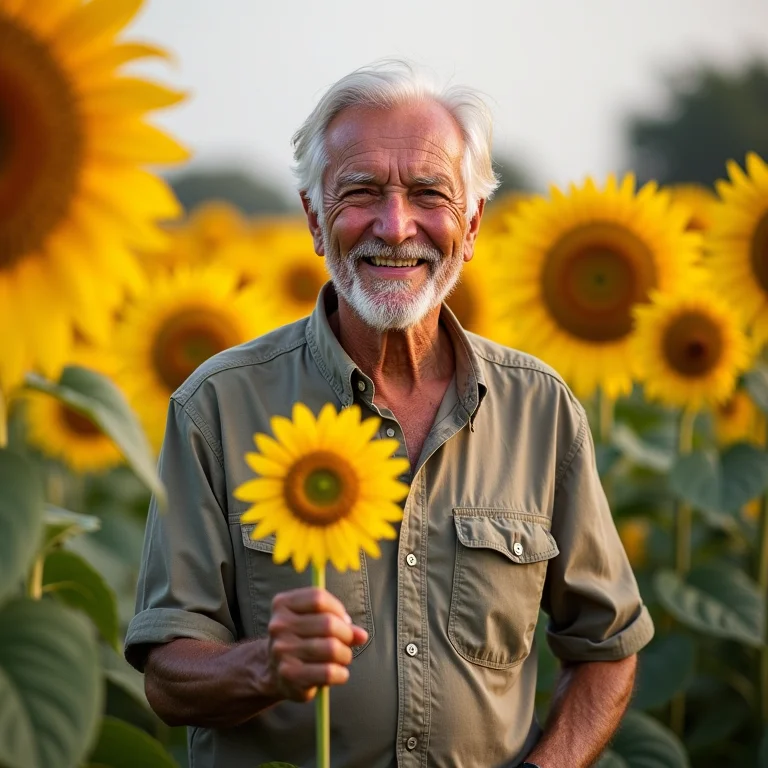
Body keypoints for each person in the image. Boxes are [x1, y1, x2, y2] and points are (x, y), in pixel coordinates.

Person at [125, 60, 654, 768]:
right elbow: (167, 674)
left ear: (470, 225)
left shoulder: (540, 409)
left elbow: (608, 646)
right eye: (361, 192)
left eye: (429, 194)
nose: (396, 225)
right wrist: (264, 666)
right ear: (315, 220)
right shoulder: (217, 406)